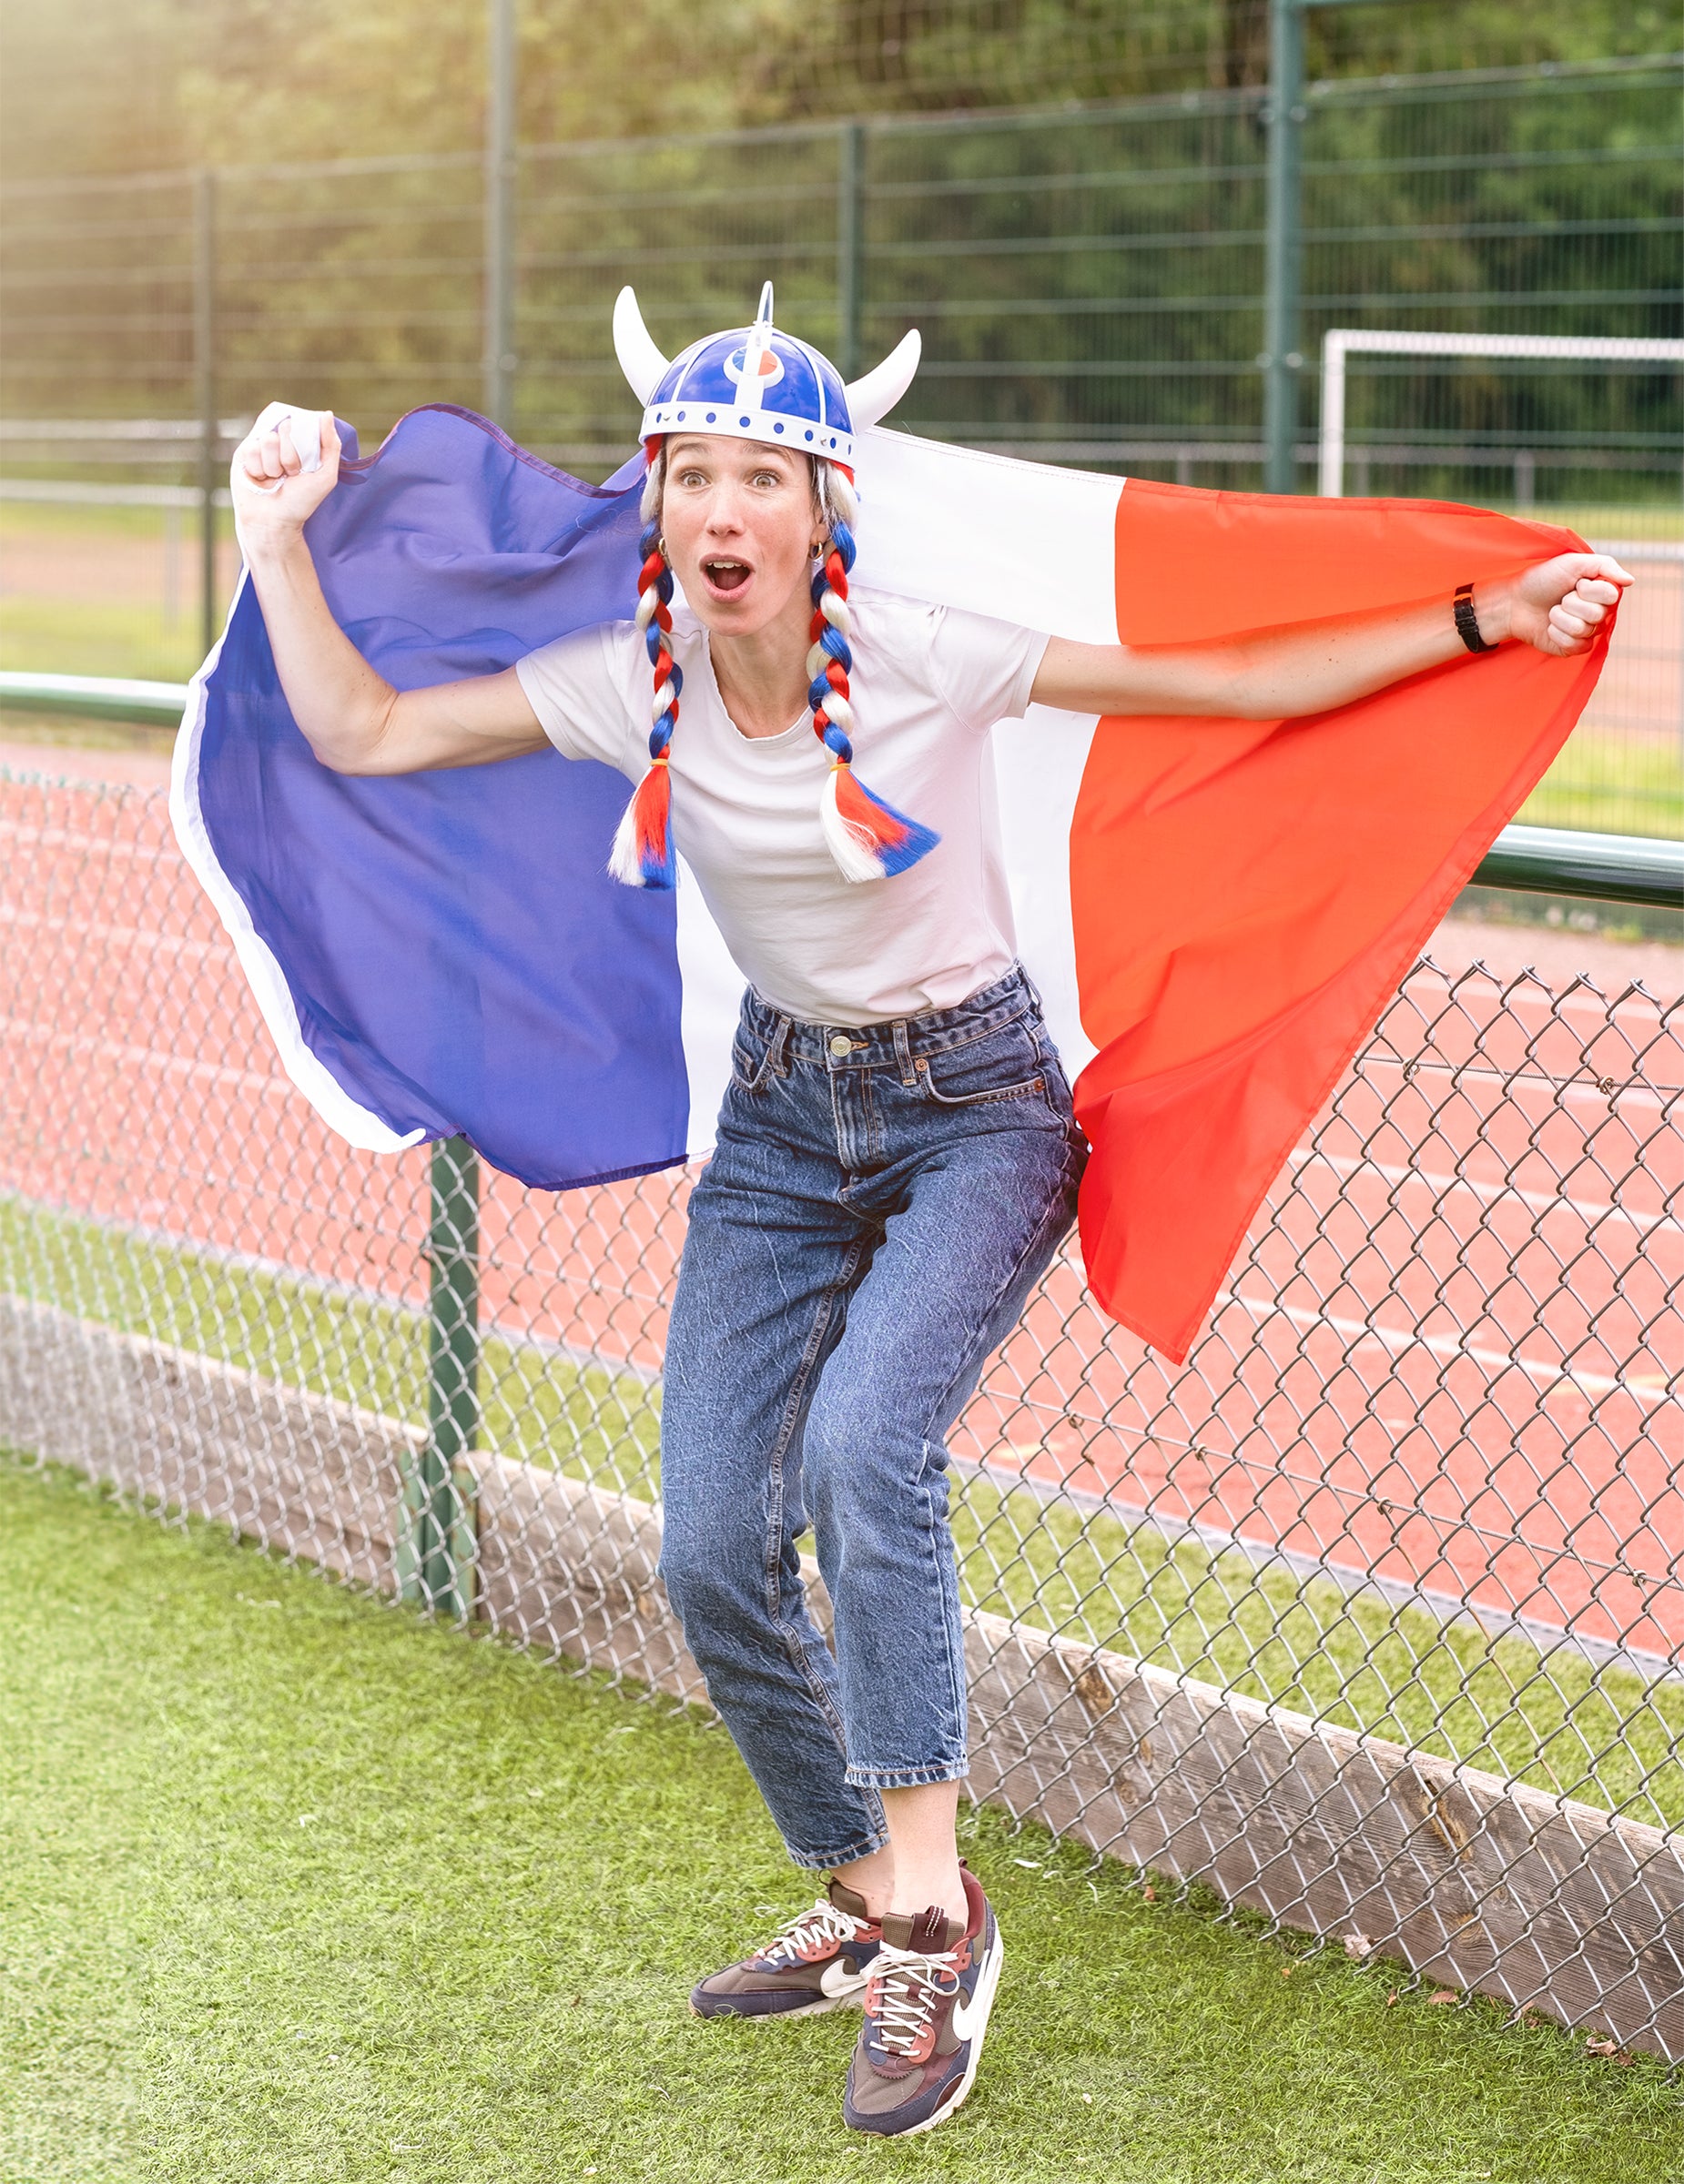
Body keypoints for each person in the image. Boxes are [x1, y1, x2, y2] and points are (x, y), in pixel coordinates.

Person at [228, 286, 1628, 2141]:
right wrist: (270, 534)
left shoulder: (924, 649)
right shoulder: (627, 676)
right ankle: (864, 1883)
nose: (724, 509)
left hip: (975, 1109)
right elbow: (372, 734)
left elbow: (1225, 682)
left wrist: (1477, 615)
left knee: (863, 1456)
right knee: (710, 1547)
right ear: (660, 503)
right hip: (780, 1132)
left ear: (823, 510)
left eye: (764, 479)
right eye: (694, 474)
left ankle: (933, 1932)